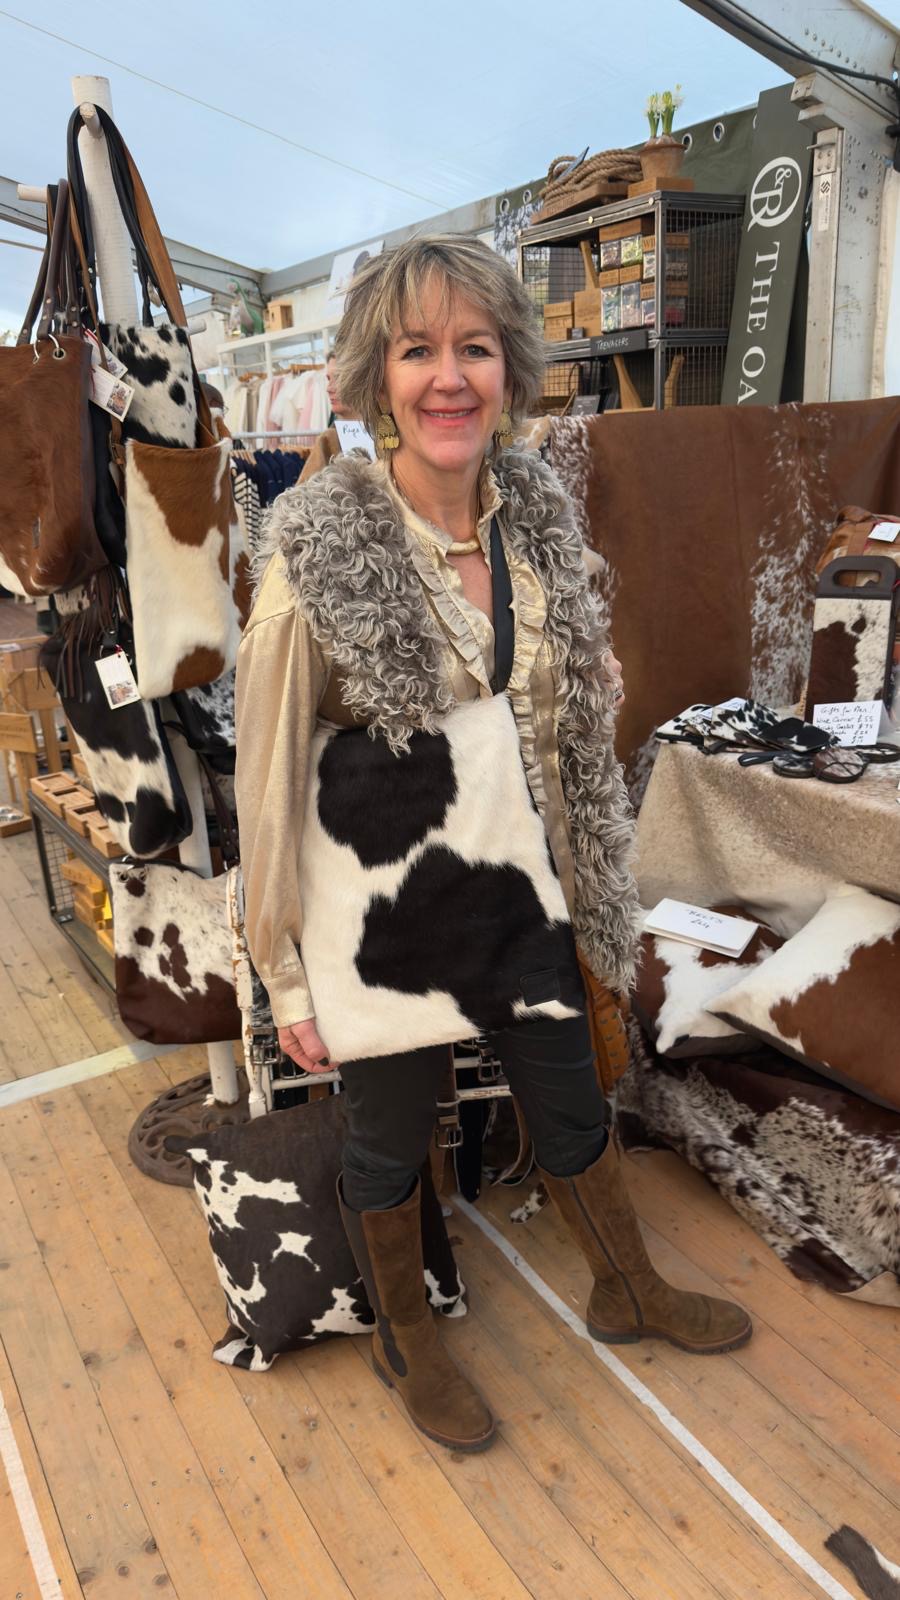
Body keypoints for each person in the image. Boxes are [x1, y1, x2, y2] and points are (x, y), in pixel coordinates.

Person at [235, 235, 751, 1456]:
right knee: (387, 1131)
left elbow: (565, 721)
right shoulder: (318, 555)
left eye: (474, 347)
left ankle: (627, 1285)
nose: (449, 377)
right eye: (418, 350)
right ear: (377, 377)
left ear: (510, 369)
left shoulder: (539, 531)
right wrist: (287, 976)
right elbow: (265, 784)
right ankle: (407, 1339)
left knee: (571, 1098)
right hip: (389, 906)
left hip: (527, 891)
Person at [298, 351, 349, 482]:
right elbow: (303, 490)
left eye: (338, 378)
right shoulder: (328, 441)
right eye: (328, 379)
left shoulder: (388, 433)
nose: (329, 388)